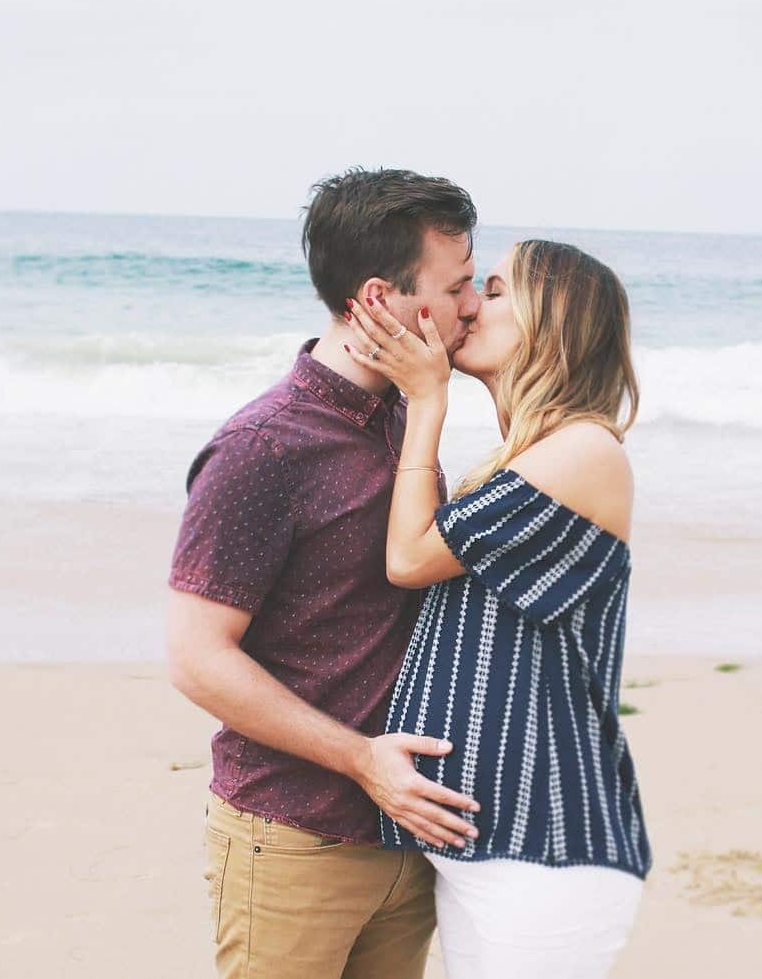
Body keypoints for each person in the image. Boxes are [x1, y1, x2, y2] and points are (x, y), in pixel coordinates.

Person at [166, 168, 487, 979]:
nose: (472, 305)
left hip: (401, 834)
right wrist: (359, 759)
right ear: (379, 299)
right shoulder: (265, 446)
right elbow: (197, 657)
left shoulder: (404, 417)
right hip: (293, 837)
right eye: (455, 288)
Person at [342, 239, 652, 979]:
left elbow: (410, 557)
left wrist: (426, 400)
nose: (471, 304)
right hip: (487, 851)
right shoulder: (520, 459)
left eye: (496, 288)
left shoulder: (584, 451)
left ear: (555, 322)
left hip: (546, 853)